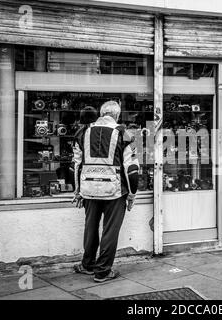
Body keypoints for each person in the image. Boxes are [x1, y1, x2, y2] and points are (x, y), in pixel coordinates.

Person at [72, 100, 139, 283]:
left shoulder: (83, 132)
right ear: (117, 115)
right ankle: (102, 271)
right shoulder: (125, 134)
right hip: (115, 191)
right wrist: (132, 195)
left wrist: (78, 191)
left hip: (88, 189)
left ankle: (87, 265)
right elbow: (132, 170)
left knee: (91, 226)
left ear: (102, 113)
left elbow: (77, 165)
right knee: (110, 231)